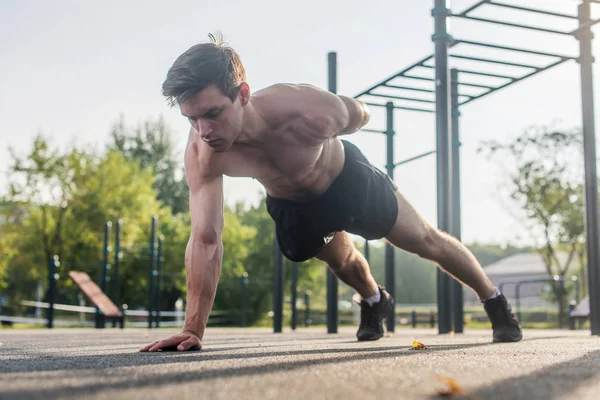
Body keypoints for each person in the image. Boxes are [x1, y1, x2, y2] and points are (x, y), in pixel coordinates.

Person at [139, 33, 522, 353]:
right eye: (192, 118)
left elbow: (359, 113)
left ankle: (495, 302)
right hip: (294, 205)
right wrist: (193, 328)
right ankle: (375, 301)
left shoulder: (306, 111)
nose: (204, 130)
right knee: (345, 263)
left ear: (242, 94)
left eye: (213, 113)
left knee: (424, 240)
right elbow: (206, 239)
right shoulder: (202, 153)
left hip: (348, 180)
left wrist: (347, 120)